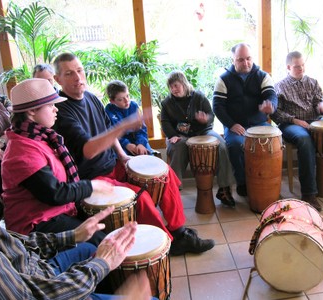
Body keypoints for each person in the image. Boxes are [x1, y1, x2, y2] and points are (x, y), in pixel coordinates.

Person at [53, 52, 214, 256]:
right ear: (58, 79)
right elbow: (89, 149)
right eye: (69, 73)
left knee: (164, 174)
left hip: (114, 164)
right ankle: (169, 242)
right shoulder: (61, 110)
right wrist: (123, 126)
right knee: (142, 199)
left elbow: (107, 132)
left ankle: (179, 232)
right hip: (94, 178)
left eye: (79, 70)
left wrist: (124, 157)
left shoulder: (91, 98)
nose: (77, 77)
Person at [1, 78, 113, 246]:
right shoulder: (22, 151)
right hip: (34, 226)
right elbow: (55, 194)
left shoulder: (37, 138)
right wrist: (91, 186)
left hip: (55, 213)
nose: (56, 110)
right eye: (51, 105)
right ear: (31, 111)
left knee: (107, 229)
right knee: (102, 242)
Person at [0, 205, 153, 300]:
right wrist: (101, 263)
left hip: (36, 269)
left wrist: (73, 236)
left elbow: (21, 243)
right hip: (40, 287)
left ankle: (88, 291)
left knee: (88, 248)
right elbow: (31, 297)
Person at [271, 51, 323, 210]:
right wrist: (295, 120)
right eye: (297, 67)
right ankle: (309, 193)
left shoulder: (312, 82)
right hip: (291, 124)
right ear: (288, 67)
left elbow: (319, 103)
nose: (301, 68)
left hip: (315, 120)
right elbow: (276, 113)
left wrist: (321, 107)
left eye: (303, 65)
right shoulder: (280, 86)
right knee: (305, 140)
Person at [160, 71, 236, 207]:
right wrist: (172, 135)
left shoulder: (199, 97)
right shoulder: (167, 103)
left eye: (176, 85)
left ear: (184, 83)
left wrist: (205, 119)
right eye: (171, 87)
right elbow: (165, 122)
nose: (173, 89)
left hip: (203, 131)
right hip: (179, 135)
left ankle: (224, 189)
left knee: (222, 145)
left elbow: (210, 115)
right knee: (177, 148)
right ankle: (174, 192)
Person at [213, 43, 278, 197]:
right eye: (241, 60)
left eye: (248, 58)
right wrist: (231, 124)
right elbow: (217, 106)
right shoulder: (223, 79)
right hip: (236, 125)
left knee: (273, 144)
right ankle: (242, 182)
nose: (246, 63)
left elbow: (271, 96)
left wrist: (271, 106)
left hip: (259, 123)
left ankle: (266, 181)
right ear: (233, 60)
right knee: (235, 145)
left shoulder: (263, 76)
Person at [105, 80, 154, 156]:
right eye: (121, 99)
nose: (126, 101)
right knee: (124, 162)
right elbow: (112, 133)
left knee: (148, 158)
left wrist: (141, 143)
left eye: (127, 96)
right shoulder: (109, 111)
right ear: (112, 101)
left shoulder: (134, 106)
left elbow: (142, 128)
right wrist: (127, 144)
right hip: (120, 144)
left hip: (138, 140)